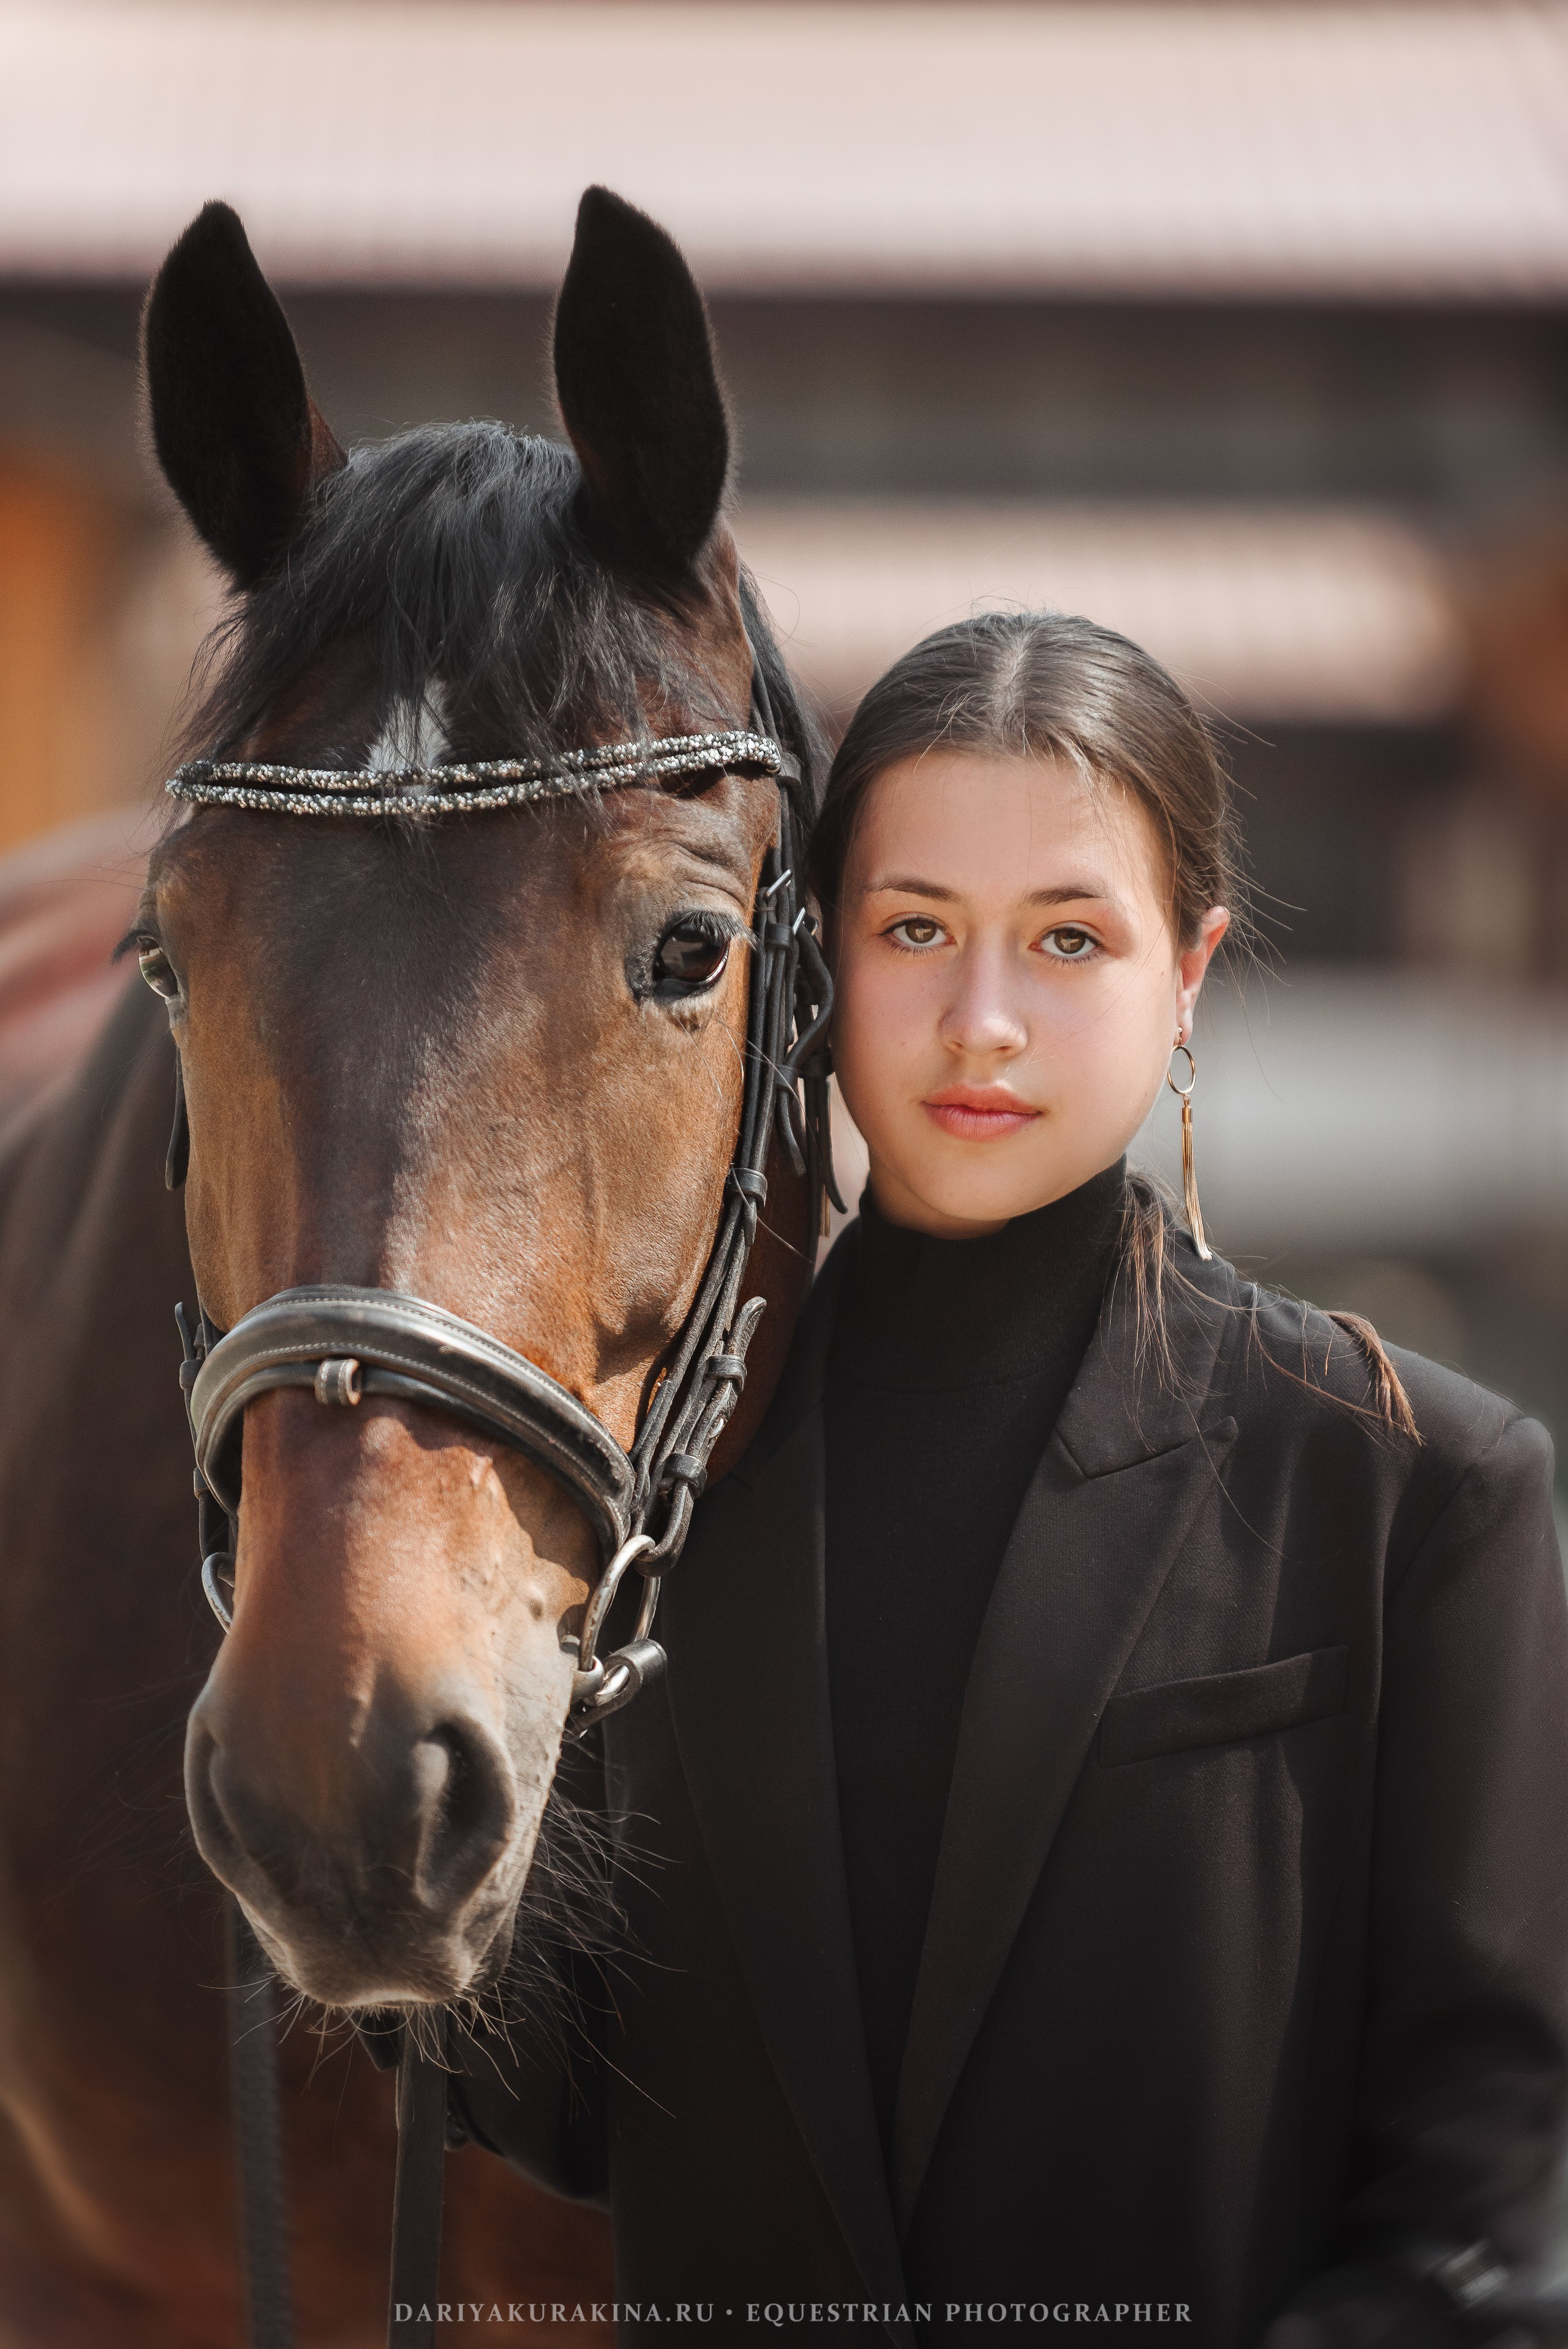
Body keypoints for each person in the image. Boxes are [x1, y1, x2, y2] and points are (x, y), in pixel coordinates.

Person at [454, 612, 1568, 2349]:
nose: (982, 1022)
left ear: (1186, 972)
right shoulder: (641, 1497)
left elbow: (1485, 2214)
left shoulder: (1417, 1490)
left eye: (1068, 937)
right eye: (916, 930)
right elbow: (570, 2107)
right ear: (810, 956)